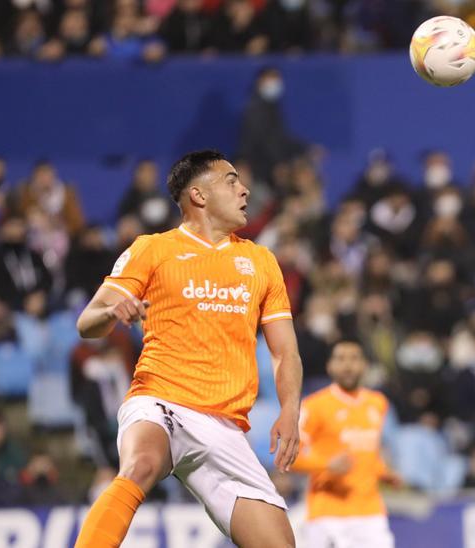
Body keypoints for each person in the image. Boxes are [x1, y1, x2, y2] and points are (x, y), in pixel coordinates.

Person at [73, 150, 302, 547]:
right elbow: (87, 323)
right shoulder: (153, 249)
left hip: (226, 426)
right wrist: (114, 309)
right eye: (231, 181)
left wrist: (290, 409)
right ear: (198, 195)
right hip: (161, 400)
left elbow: (284, 352)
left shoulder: (261, 261)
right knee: (140, 464)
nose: (245, 190)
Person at [291, 339, 403, 548]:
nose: (348, 365)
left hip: (371, 513)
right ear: (330, 366)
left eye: (354, 358)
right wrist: (326, 465)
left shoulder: (377, 403)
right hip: (329, 514)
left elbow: (369, 453)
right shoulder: (314, 406)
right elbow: (290, 457)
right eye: (340, 359)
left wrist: (384, 473)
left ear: (364, 365)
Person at [239, 66, 312, 182]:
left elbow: (280, 136)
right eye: (271, 78)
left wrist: (305, 148)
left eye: (277, 78)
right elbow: (265, 139)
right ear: (259, 81)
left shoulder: (272, 106)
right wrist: (278, 163)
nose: (275, 82)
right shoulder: (255, 109)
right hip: (261, 170)